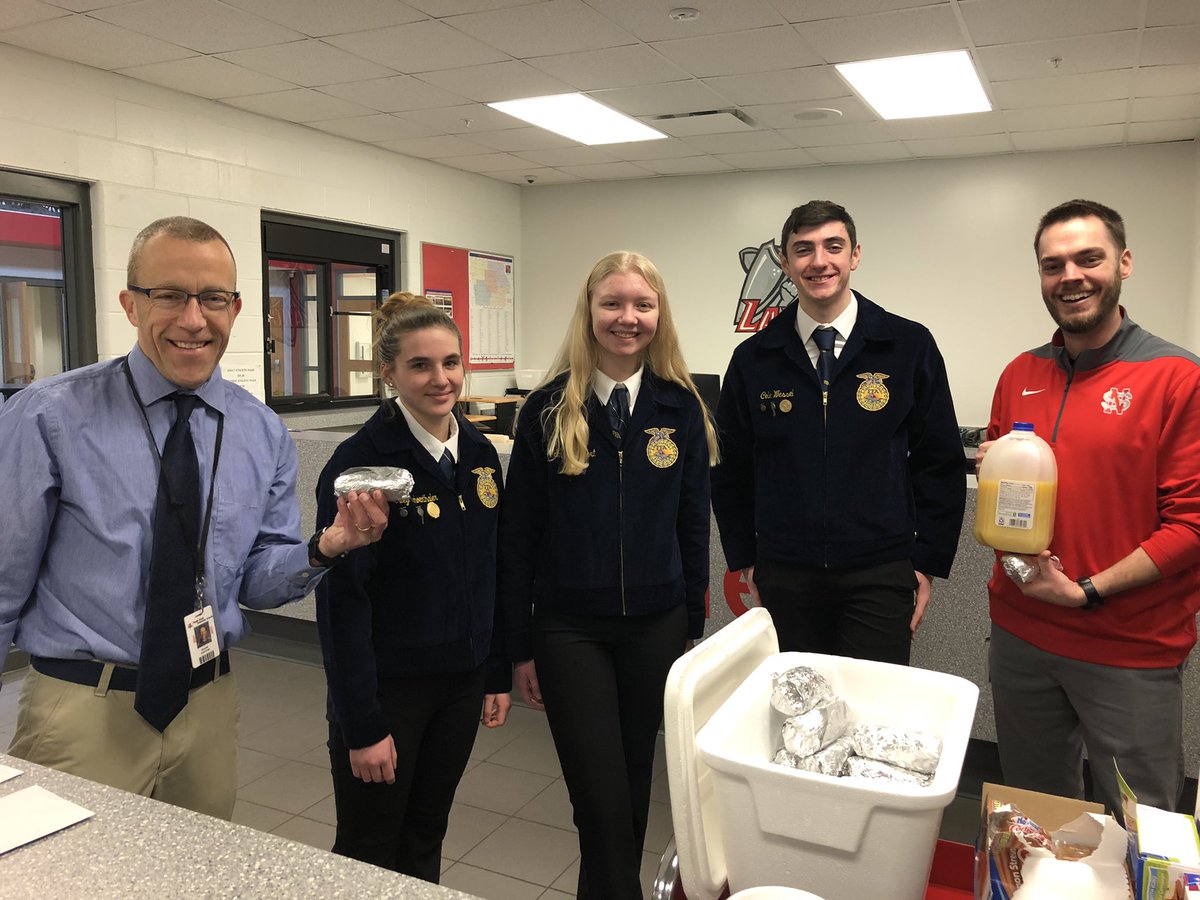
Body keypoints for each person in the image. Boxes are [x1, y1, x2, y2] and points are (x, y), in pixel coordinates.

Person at [0, 216, 388, 819]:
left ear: (235, 310)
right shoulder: (49, 417)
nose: (192, 319)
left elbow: (258, 580)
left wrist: (325, 547)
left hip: (205, 705)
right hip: (81, 708)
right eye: (170, 296)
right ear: (130, 305)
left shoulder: (260, 431)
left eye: (212, 298)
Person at [500, 251, 717, 899]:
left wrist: (693, 627)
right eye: (613, 304)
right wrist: (519, 645)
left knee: (627, 787)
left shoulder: (680, 409)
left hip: (657, 625)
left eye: (642, 305)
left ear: (659, 315)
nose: (628, 318)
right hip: (570, 632)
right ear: (589, 312)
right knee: (598, 796)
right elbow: (519, 541)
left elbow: (691, 527)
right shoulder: (545, 409)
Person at [980, 199, 1200, 817]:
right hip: (1022, 636)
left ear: (1123, 264)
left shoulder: (1177, 376)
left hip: (1128, 647)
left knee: (1141, 824)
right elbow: (1004, 508)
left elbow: (1193, 524)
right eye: (1053, 265)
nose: (1070, 276)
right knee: (1036, 815)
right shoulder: (1019, 372)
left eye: (1088, 258)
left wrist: (1087, 591)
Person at [711, 200, 965, 664]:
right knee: (797, 710)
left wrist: (927, 560)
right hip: (786, 571)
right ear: (785, 263)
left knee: (871, 711)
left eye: (833, 246)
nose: (819, 261)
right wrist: (747, 558)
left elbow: (939, 460)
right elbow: (731, 466)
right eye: (803, 249)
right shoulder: (754, 359)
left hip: (881, 569)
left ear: (855, 255)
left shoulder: (906, 346)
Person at [315, 292, 510, 880]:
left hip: (461, 681)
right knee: (370, 845)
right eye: (420, 366)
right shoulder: (362, 463)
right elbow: (342, 602)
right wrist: (363, 723)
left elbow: (491, 568)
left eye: (450, 363)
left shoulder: (478, 454)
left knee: (427, 832)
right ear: (388, 373)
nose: (441, 379)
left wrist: (494, 671)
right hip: (389, 689)